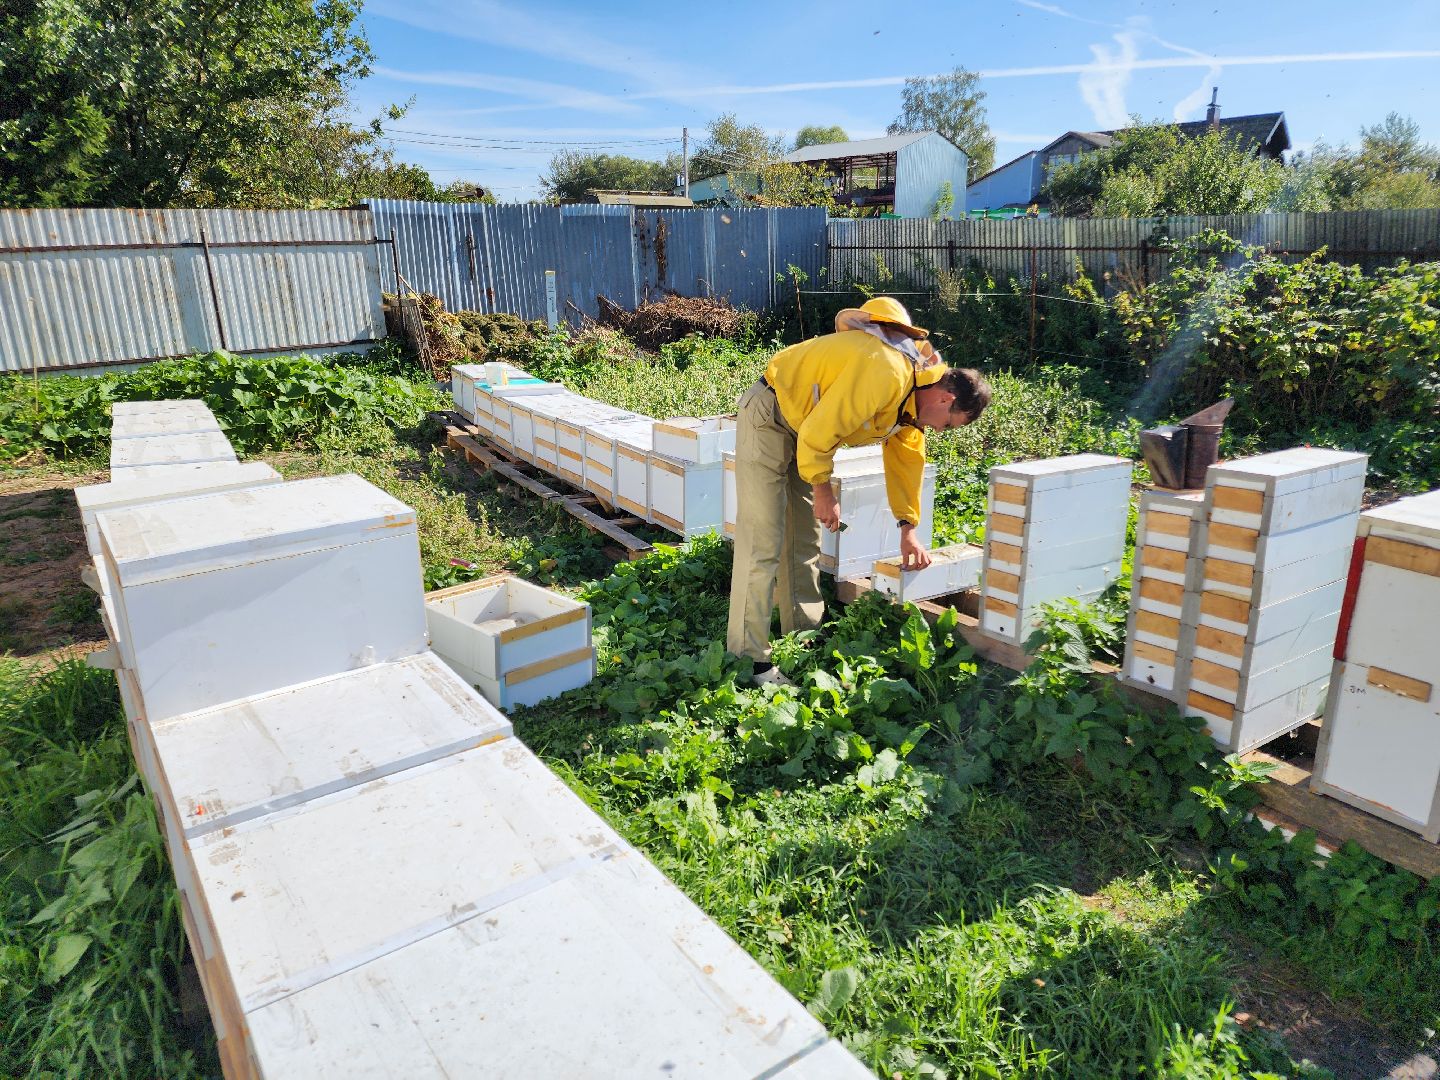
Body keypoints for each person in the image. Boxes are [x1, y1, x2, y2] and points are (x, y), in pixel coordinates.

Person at [727, 296, 992, 687]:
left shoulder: (914, 402)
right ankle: (750, 662)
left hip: (804, 429)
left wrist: (908, 529)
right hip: (771, 415)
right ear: (945, 398)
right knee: (762, 539)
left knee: (803, 539)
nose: (940, 431)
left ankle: (802, 634)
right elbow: (821, 432)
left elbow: (907, 465)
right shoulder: (888, 372)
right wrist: (823, 491)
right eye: (949, 425)